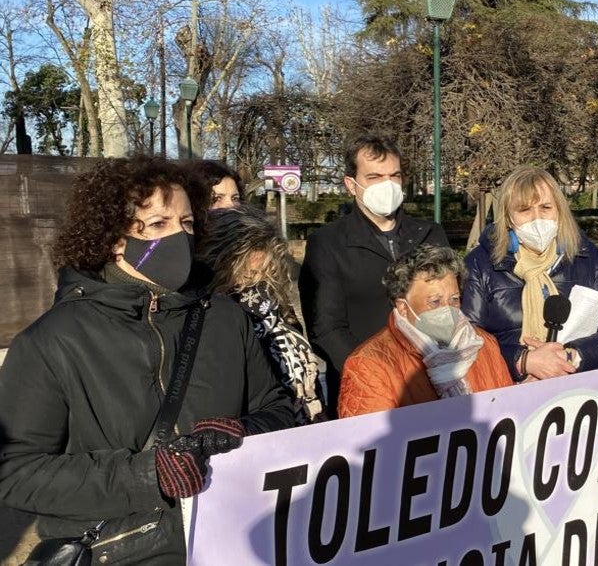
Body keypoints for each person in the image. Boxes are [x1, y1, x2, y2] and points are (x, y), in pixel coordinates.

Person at [0, 156, 298, 563]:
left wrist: (242, 431)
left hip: (230, 538)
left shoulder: (226, 317)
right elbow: (15, 472)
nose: (180, 237)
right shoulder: (53, 341)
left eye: (188, 223)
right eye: (159, 224)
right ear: (114, 239)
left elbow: (278, 409)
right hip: (123, 551)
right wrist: (145, 475)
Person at [298, 135, 449, 412]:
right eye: (375, 177)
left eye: (394, 175)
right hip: (364, 389)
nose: (387, 185)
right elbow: (326, 328)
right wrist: (373, 373)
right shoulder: (328, 243)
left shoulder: (430, 234)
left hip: (433, 381)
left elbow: (449, 306)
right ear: (351, 185)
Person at [462, 166, 598, 381]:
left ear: (559, 210)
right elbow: (466, 341)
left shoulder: (586, 257)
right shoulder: (481, 263)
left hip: (576, 387)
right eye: (524, 210)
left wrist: (569, 357)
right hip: (508, 390)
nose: (537, 218)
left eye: (545, 207)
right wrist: (524, 361)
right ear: (508, 217)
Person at [338, 246, 514, 417]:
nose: (448, 309)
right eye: (435, 302)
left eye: (454, 299)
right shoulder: (368, 365)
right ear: (403, 307)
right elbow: (371, 439)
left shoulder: (483, 343)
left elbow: (508, 411)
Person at [201, 204, 326, 423]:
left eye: (265, 275)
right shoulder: (212, 318)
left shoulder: (275, 305)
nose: (255, 285)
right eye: (247, 275)